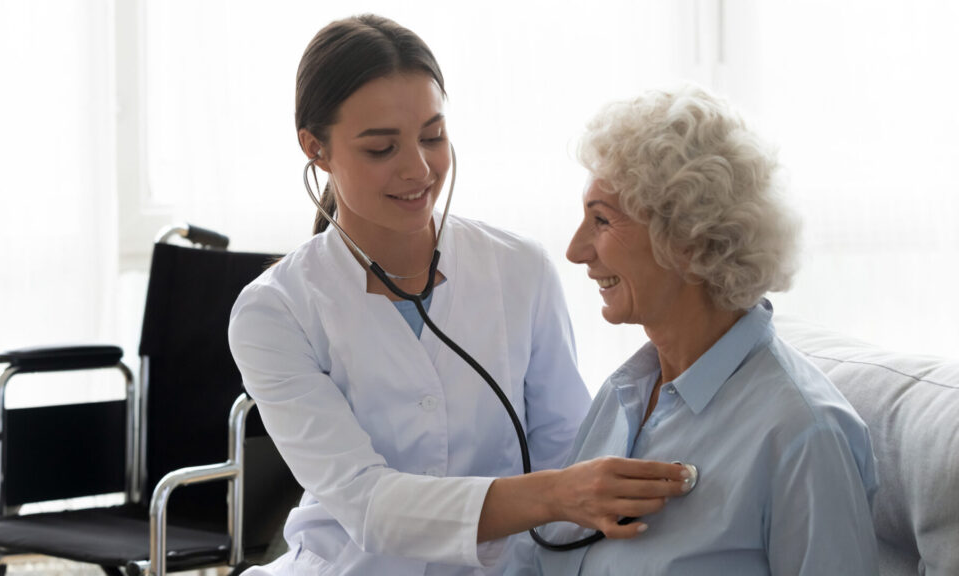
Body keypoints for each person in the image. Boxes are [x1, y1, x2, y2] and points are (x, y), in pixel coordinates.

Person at [228, 14, 689, 576]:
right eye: (381, 149)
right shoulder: (273, 311)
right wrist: (558, 495)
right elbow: (369, 506)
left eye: (432, 136)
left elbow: (566, 452)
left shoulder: (520, 269)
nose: (419, 169)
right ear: (316, 149)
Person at [527, 86, 880, 575]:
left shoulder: (803, 433)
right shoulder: (624, 394)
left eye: (602, 220)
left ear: (690, 241)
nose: (575, 250)